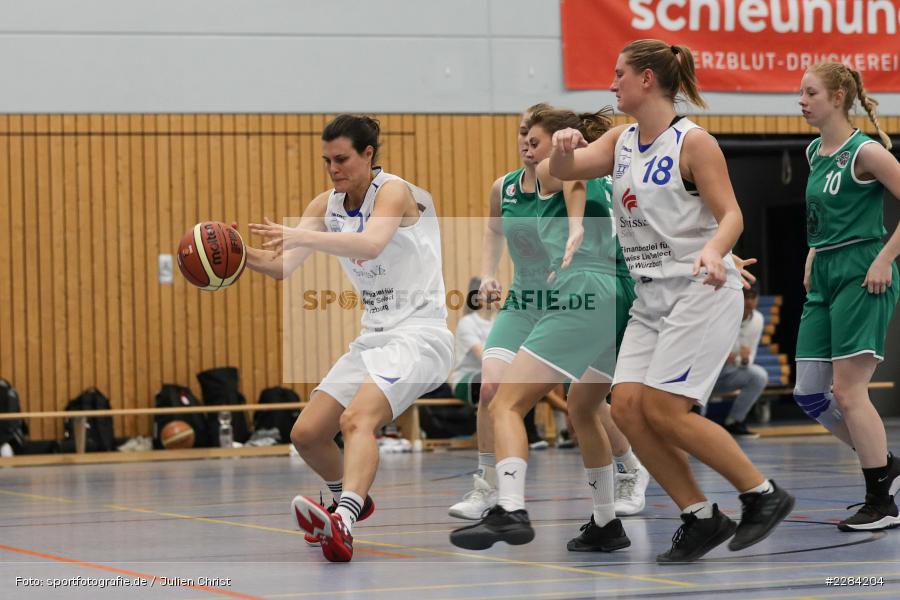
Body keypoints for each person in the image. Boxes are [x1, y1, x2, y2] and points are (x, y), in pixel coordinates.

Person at [548, 39, 794, 563]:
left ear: (646, 81)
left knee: (662, 407)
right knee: (629, 409)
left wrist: (713, 251)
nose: (611, 84)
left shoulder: (694, 143)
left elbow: (731, 215)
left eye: (618, 74)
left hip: (700, 290)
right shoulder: (620, 140)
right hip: (650, 295)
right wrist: (564, 146)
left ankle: (762, 494)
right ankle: (700, 517)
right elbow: (566, 172)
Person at [246, 114, 454, 562]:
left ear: (368, 155)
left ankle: (343, 519)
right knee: (306, 434)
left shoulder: (394, 191)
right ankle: (351, 497)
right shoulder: (326, 205)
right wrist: (235, 254)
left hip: (419, 335)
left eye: (342, 159)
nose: (334, 169)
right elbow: (283, 265)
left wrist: (301, 233)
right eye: (327, 161)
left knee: (357, 420)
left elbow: (371, 243)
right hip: (373, 337)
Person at [448, 104, 649, 521]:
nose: (525, 140)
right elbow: (492, 228)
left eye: (533, 135)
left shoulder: (583, 177)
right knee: (492, 389)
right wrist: (486, 273)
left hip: (580, 295)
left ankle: (628, 468)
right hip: (526, 299)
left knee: (584, 403)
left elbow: (577, 184)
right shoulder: (504, 187)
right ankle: (487, 488)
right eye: (522, 132)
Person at [793, 62, 900, 531]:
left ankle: (882, 500)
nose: (801, 100)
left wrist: (885, 258)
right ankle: (885, 463)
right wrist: (814, 253)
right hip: (827, 272)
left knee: (848, 390)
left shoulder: (867, 151)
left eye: (810, 92)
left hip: (863, 269)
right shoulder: (814, 150)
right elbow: (822, 218)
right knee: (809, 394)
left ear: (837, 97)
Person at [709, 284, 767, 438]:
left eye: (752, 297)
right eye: (746, 296)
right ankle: (697, 424)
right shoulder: (720, 314)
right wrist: (719, 355)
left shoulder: (758, 319)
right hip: (707, 371)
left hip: (729, 372)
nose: (749, 301)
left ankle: (734, 422)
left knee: (759, 375)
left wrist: (744, 360)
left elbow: (751, 352)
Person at [449, 277, 496, 405]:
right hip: (465, 379)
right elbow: (485, 358)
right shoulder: (467, 323)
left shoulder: (498, 325)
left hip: (491, 376)